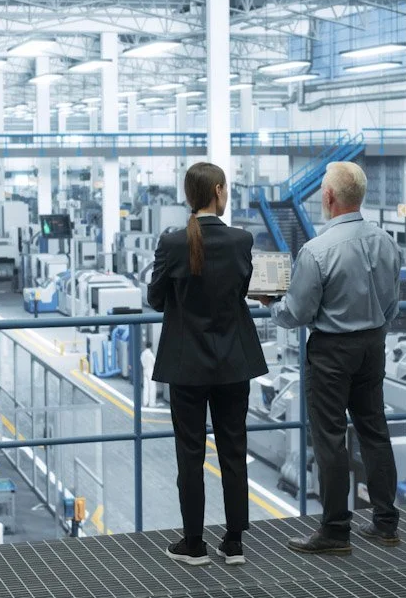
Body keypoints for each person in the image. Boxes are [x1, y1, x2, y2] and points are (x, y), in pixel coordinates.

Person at [258, 161, 403, 555]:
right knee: (375, 431)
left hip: (332, 354)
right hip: (373, 346)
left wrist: (272, 303)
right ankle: (386, 523)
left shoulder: (317, 250)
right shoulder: (386, 241)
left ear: (328, 197)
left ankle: (336, 531)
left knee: (330, 439)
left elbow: (296, 314)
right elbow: (393, 302)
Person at [148, 162, 268, 567]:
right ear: (218, 191)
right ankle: (233, 543)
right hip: (234, 362)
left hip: (187, 366)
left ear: (190, 195)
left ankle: (194, 543)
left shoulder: (173, 242)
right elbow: (245, 288)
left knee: (190, 454)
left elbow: (155, 298)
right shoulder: (241, 239)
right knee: (234, 449)